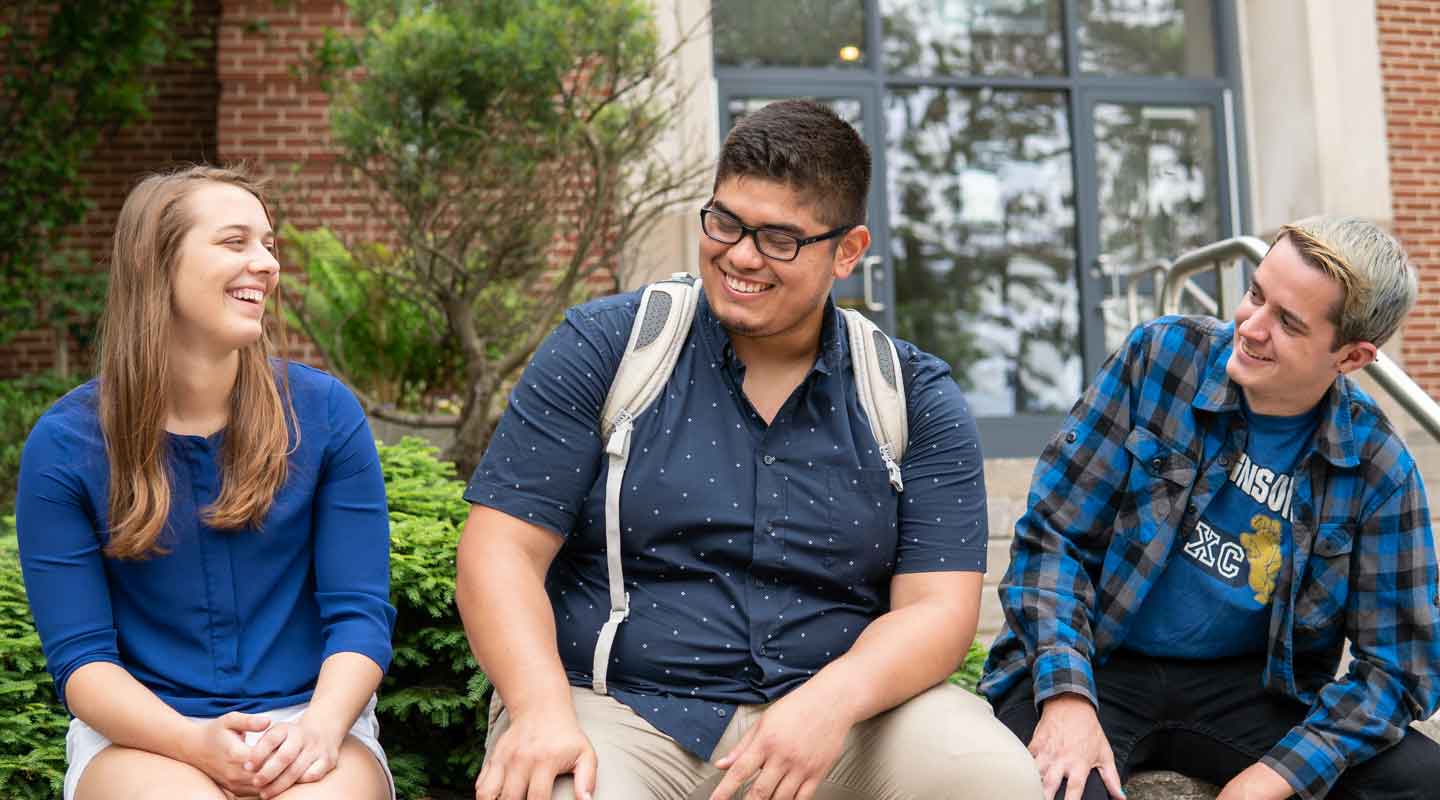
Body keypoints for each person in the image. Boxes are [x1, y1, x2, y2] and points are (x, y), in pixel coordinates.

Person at [454, 99, 1042, 800]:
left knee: (989, 779)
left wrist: (832, 702)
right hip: (619, 709)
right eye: (726, 222)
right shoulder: (606, 347)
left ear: (847, 252)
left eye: (779, 239)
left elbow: (937, 610)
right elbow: (500, 552)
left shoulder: (912, 394)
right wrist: (540, 711)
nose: (739, 255)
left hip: (846, 723)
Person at [981, 217, 1440, 800]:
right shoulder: (1161, 359)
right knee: (1053, 785)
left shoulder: (1379, 466)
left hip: (1253, 692)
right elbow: (1053, 538)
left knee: (1424, 782)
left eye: (1288, 323)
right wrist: (1067, 696)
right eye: (1255, 294)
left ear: (1351, 357)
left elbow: (1397, 669)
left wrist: (1272, 778)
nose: (1250, 326)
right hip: (1099, 658)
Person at [16, 165, 397, 800]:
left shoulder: (326, 415)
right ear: (157, 264)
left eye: (269, 245)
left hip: (313, 723)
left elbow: (359, 616)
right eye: (234, 242)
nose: (266, 264)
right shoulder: (64, 446)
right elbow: (83, 663)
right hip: (145, 737)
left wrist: (322, 728)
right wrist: (194, 744)